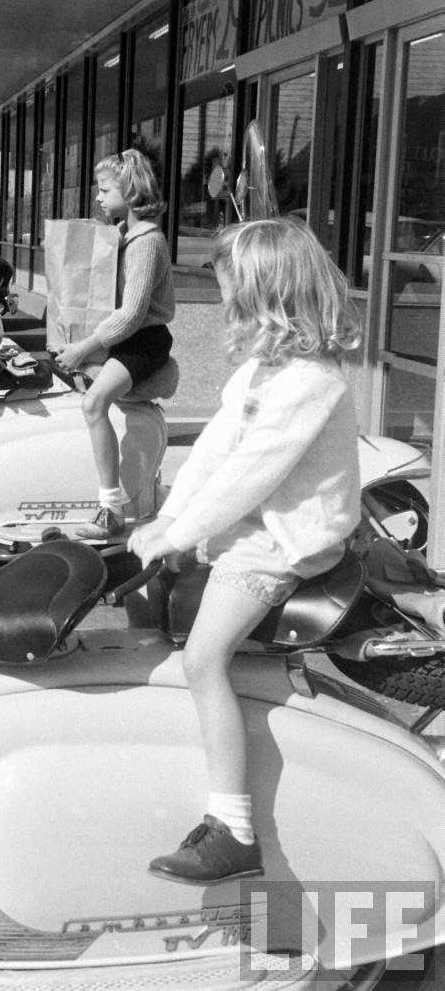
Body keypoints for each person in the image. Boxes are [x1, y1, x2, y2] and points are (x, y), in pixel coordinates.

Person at [128, 216, 361, 884]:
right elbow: (213, 453)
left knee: (204, 658)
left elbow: (251, 471)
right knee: (150, 604)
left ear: (270, 294)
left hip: (284, 540)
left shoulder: (310, 380)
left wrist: (179, 535)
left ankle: (232, 829)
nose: (226, 301)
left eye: (233, 290)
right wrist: (169, 519)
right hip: (250, 523)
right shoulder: (263, 369)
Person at [54, 148, 175, 540]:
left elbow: (133, 313)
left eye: (106, 190)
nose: (99, 197)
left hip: (143, 340)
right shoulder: (122, 236)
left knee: (94, 403)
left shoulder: (146, 242)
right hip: (125, 337)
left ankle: (110, 509)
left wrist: (85, 347)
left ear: (131, 189)